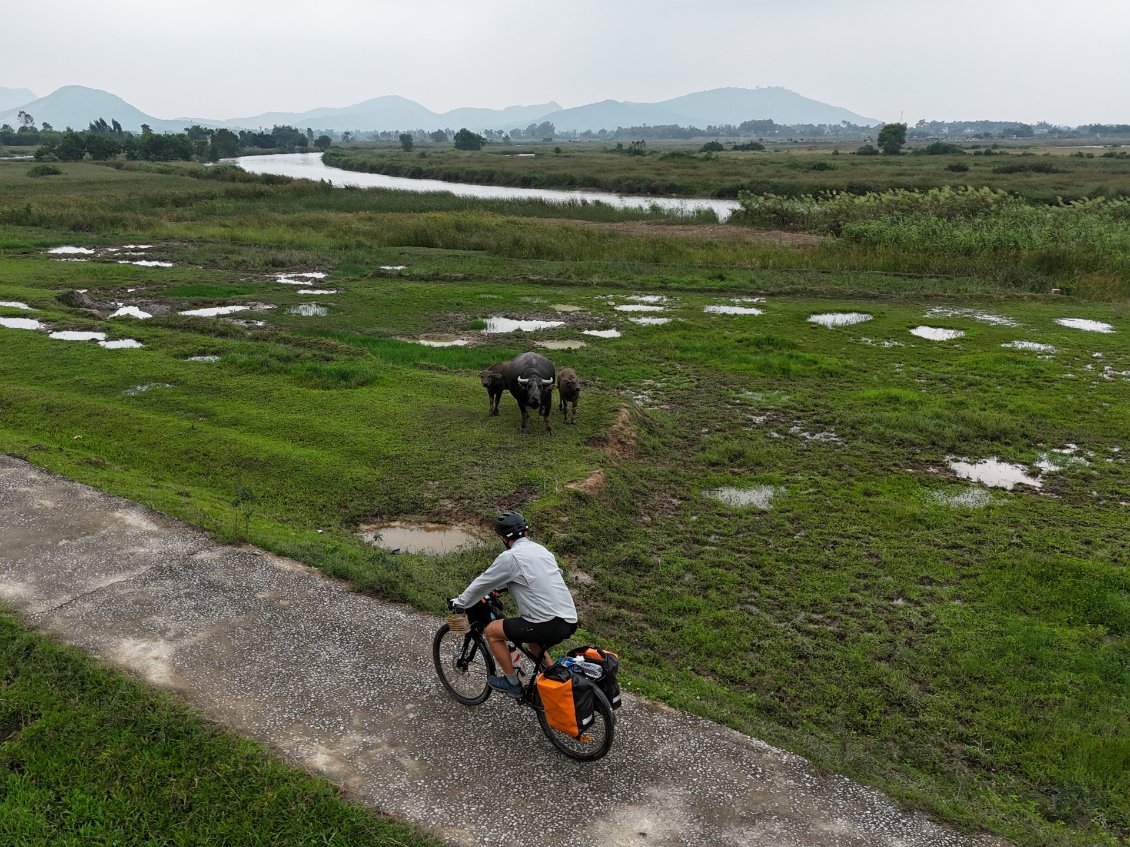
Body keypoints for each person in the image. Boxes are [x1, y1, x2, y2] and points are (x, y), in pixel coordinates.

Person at [450, 511, 577, 698]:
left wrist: (460, 602)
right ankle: (554, 681)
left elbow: (482, 582)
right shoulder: (542, 550)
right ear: (526, 532)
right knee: (534, 643)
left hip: (547, 623)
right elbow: (536, 578)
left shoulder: (510, 557)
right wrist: (502, 587)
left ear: (503, 538)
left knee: (492, 631)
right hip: (568, 619)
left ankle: (512, 683)